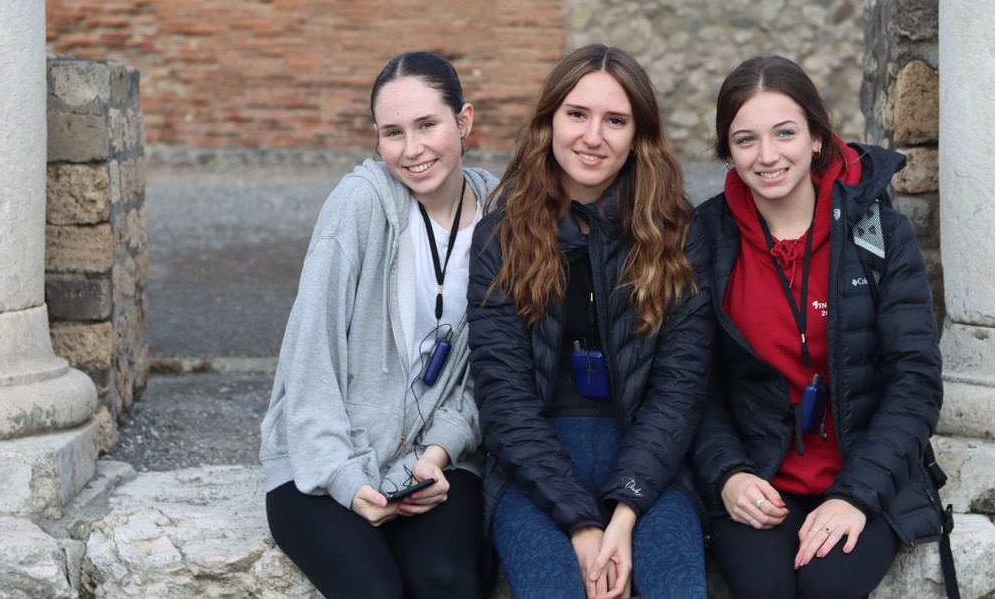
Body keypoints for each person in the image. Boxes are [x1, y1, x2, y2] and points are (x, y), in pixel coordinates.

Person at [690, 55, 945, 599]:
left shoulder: (881, 233)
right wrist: (728, 474)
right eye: (746, 140)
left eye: (785, 133)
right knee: (765, 588)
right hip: (757, 476)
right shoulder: (704, 237)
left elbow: (915, 383)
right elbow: (693, 383)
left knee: (828, 586)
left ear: (817, 138)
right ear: (727, 153)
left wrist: (856, 495)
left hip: (865, 471)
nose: (768, 156)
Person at [466, 44, 715, 599]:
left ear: (638, 136)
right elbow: (504, 402)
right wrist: (581, 523)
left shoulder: (678, 234)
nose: (593, 137)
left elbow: (680, 388)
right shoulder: (500, 238)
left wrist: (624, 513)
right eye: (577, 114)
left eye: (615, 121)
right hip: (533, 467)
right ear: (549, 122)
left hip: (649, 461)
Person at [260, 51, 498, 599]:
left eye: (427, 125)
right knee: (373, 591)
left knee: (450, 580)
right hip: (321, 460)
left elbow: (490, 372)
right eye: (392, 133)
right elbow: (309, 361)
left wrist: (438, 455)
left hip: (432, 459)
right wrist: (347, 480)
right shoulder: (359, 204)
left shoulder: (503, 217)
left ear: (463, 122)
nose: (411, 150)